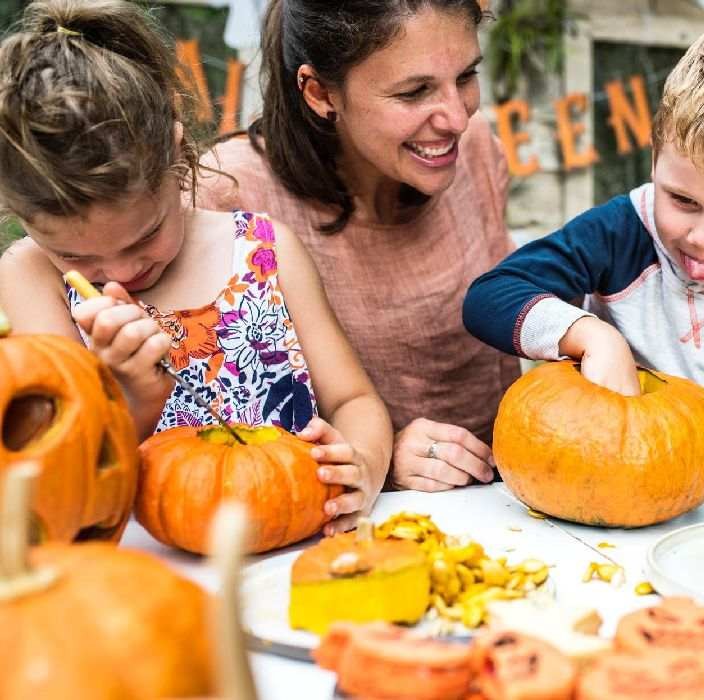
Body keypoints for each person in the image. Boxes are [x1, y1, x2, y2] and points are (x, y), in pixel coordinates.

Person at [0, 0, 393, 535]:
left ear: (179, 157)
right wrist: (130, 395)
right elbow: (66, 477)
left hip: (295, 545)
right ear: (21, 218)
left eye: (145, 235)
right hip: (144, 572)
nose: (119, 273)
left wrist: (363, 464)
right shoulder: (30, 278)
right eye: (76, 257)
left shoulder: (263, 251)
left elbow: (353, 400)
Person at [463, 21, 704, 481]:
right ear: (655, 158)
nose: (703, 237)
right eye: (683, 200)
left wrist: (642, 460)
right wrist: (593, 335)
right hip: (580, 460)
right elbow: (490, 297)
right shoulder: (622, 231)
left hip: (693, 494)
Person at [196, 0, 520, 493]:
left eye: (466, 75)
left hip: (510, 504)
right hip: (341, 527)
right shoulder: (228, 196)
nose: (457, 118)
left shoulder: (475, 148)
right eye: (415, 92)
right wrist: (376, 457)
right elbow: (206, 441)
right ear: (321, 92)